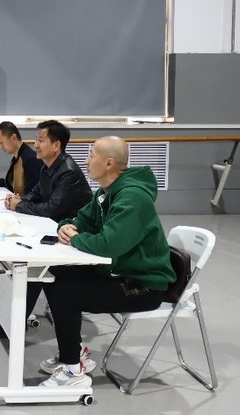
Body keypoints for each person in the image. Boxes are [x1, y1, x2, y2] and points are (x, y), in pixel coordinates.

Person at [38, 136, 174, 388]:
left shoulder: (132, 198)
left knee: (65, 293)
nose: (86, 160)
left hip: (143, 285)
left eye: (91, 155)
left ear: (109, 163)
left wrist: (75, 238)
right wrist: (66, 226)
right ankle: (74, 353)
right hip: (119, 272)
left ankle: (72, 371)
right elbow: (82, 220)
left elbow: (107, 246)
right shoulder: (106, 192)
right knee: (53, 274)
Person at [0, 120, 93, 338]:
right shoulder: (48, 166)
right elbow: (36, 195)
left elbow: (50, 209)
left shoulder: (68, 172)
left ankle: (16, 322)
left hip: (73, 234)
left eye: (40, 140)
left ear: (56, 145)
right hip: (55, 228)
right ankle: (10, 315)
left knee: (33, 265)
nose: (35, 145)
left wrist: (19, 205)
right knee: (26, 261)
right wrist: (18, 200)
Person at [0, 121, 42, 196]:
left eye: (1, 142)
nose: (0, 147)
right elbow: (11, 183)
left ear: (13, 137)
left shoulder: (31, 159)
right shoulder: (18, 157)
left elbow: (33, 195)